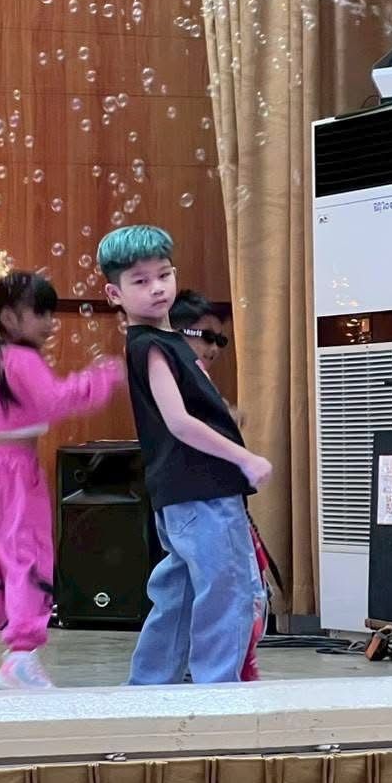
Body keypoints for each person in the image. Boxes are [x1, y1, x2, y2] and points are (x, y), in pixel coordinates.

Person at [97, 225, 271, 685]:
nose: (157, 287)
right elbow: (178, 422)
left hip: (180, 492)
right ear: (114, 293)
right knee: (227, 591)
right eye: (140, 281)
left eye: (164, 275)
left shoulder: (167, 343)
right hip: (203, 489)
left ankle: (150, 686)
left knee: (180, 592)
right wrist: (244, 458)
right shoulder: (152, 346)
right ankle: (217, 688)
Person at [0, 271, 125, 692]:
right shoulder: (23, 360)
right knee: (29, 558)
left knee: (5, 563)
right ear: (9, 318)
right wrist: (101, 378)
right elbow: (54, 401)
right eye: (40, 313)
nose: (50, 323)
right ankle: (21, 655)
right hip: (17, 470)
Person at [169, 287, 268, 681]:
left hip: (210, 496)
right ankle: (219, 679)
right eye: (206, 337)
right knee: (229, 590)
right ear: (178, 333)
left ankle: (185, 675)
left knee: (190, 593)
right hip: (204, 498)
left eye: (220, 340)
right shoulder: (177, 376)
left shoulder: (196, 378)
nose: (214, 348)